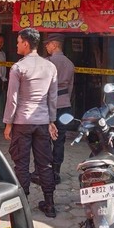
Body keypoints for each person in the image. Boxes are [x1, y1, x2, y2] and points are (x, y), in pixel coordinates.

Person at [3, 28, 58, 218]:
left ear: (26, 43)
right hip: (42, 121)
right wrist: (51, 121)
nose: (16, 45)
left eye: (18, 42)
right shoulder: (50, 67)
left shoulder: (18, 68)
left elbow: (13, 99)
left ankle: (23, 205)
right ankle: (50, 204)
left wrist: (8, 123)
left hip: (22, 122)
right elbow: (52, 98)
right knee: (45, 164)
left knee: (21, 164)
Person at [44, 33, 75, 185]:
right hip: (65, 106)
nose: (46, 47)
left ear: (54, 45)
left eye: (48, 44)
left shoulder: (47, 62)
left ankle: (45, 171)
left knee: (45, 139)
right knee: (59, 140)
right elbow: (70, 88)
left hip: (49, 106)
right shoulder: (70, 63)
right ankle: (56, 173)